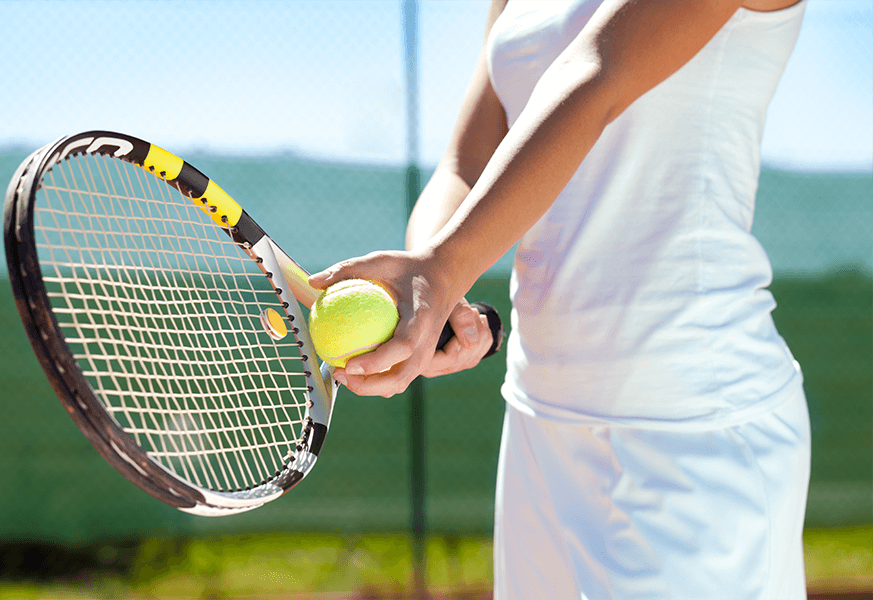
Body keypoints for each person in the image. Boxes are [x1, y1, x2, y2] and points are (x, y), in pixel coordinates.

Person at [310, 0, 811, 598]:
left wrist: (440, 271)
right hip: (538, 414)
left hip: (688, 427)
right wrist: (439, 293)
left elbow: (596, 74)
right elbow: (466, 162)